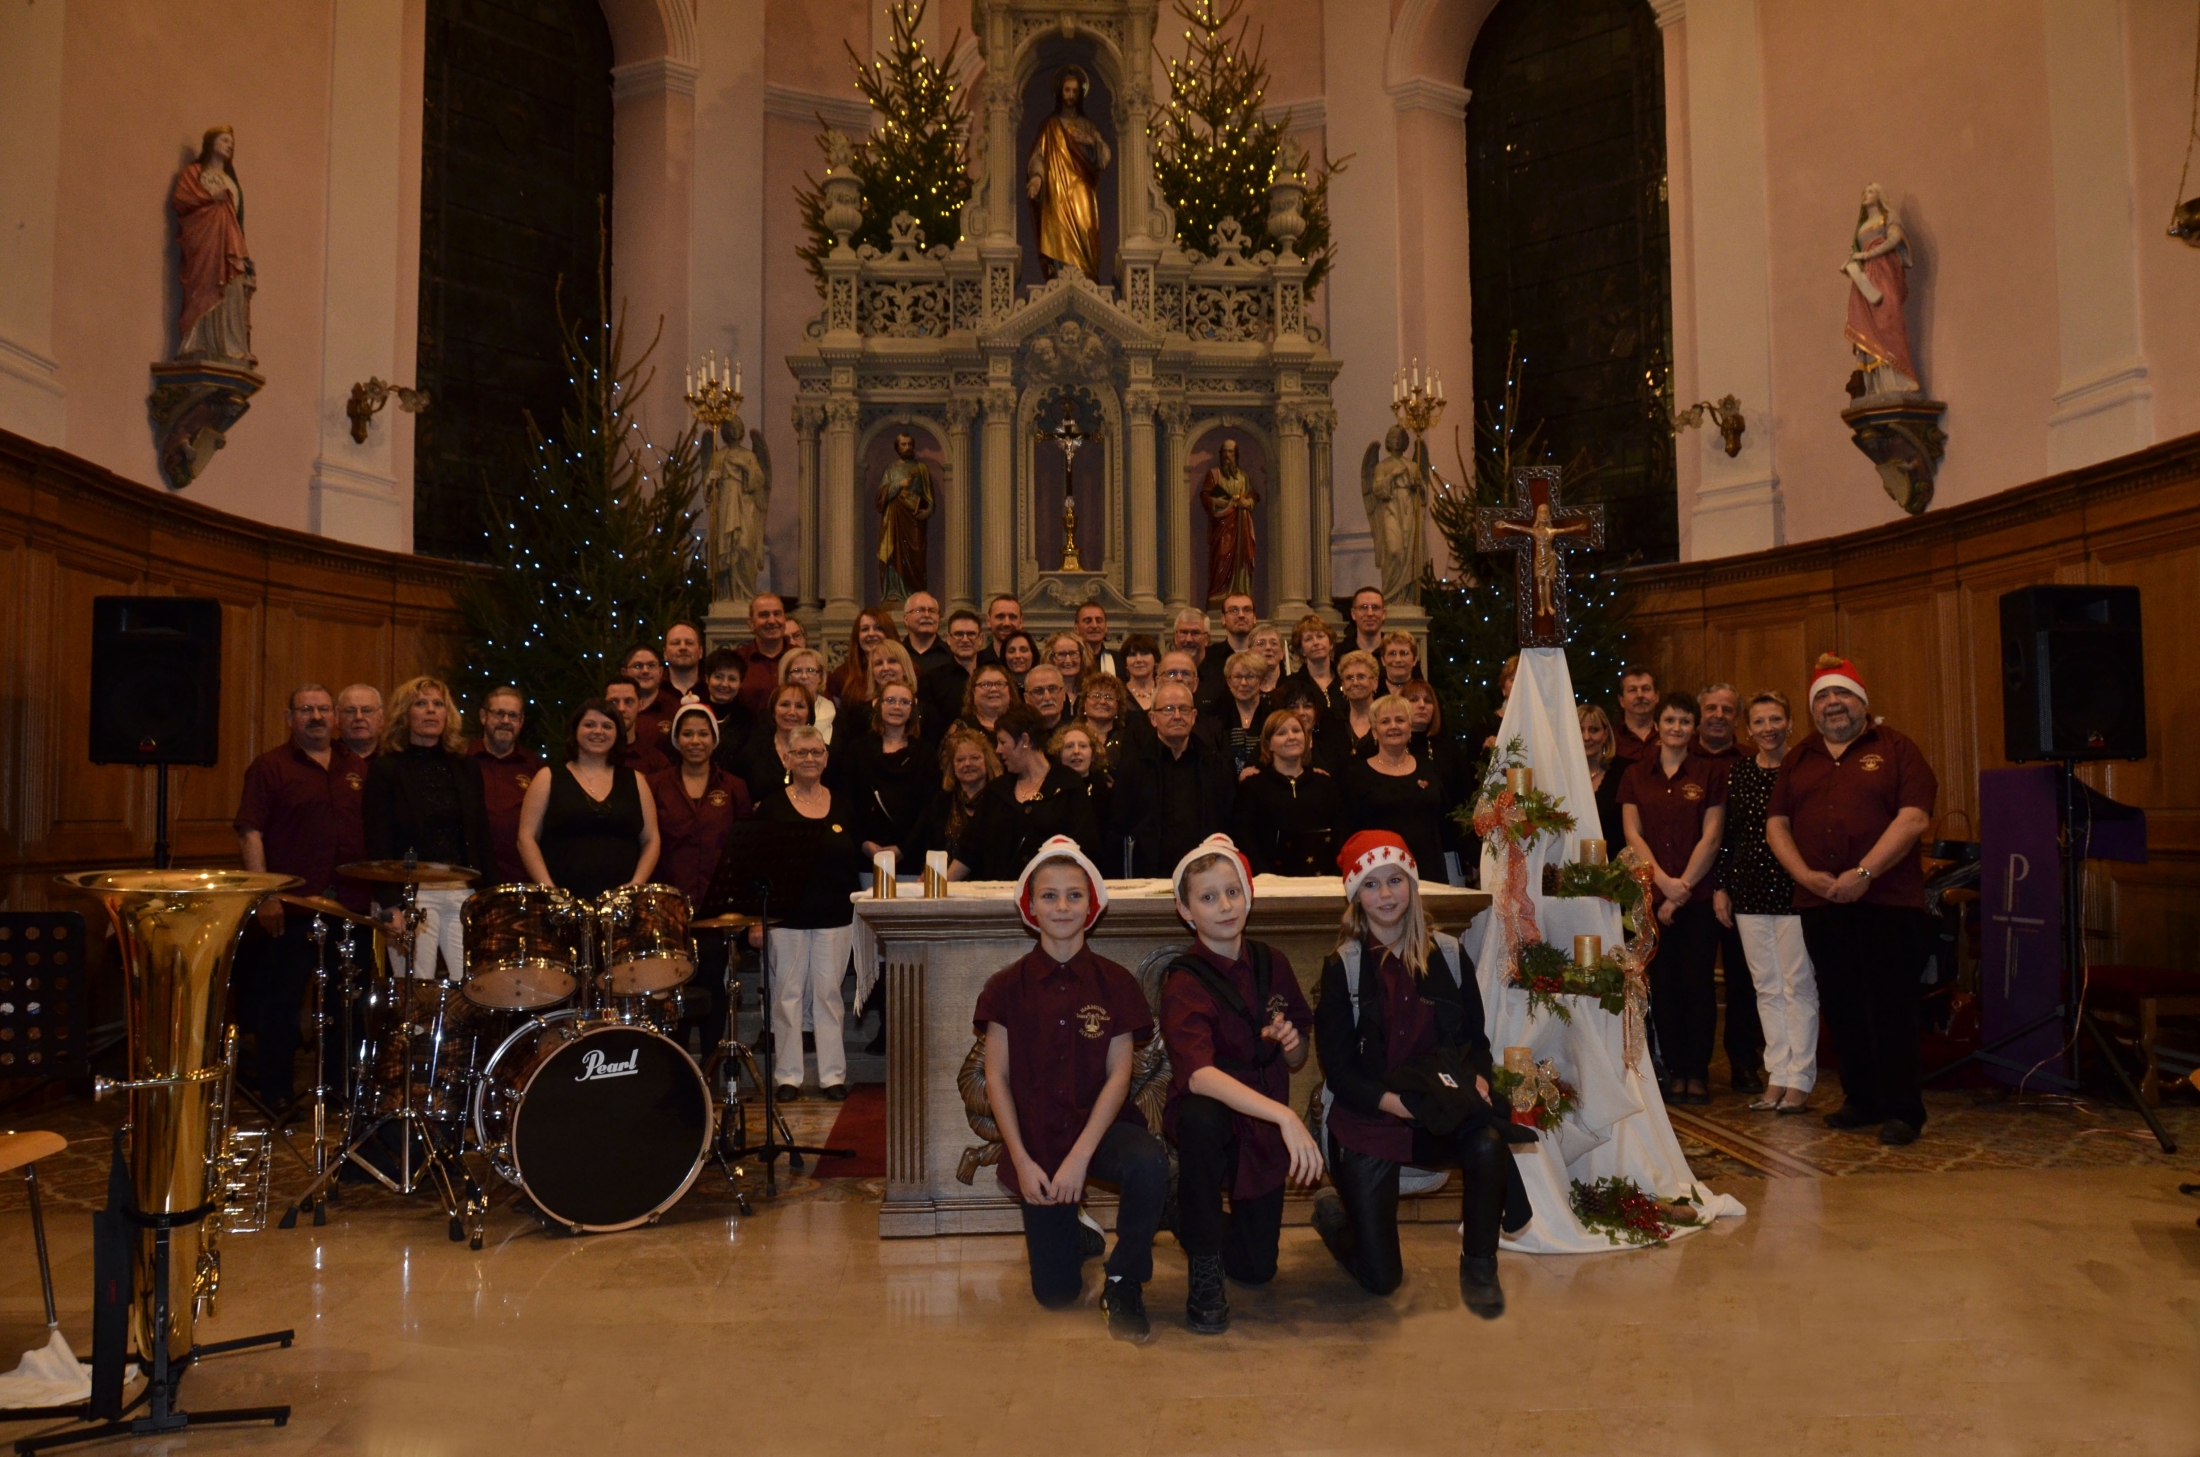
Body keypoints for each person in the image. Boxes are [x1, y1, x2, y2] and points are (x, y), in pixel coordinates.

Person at [1310, 831, 1527, 1315]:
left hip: (1436, 1108)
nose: (1386, 895)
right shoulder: (1343, 967)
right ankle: (1334, 1216)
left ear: (1412, 884)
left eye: (1396, 880)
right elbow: (1340, 1073)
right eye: (1371, 885)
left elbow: (1475, 1041)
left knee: (1488, 1142)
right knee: (1381, 1280)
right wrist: (1399, 1106)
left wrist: (1478, 1080)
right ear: (1356, 896)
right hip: (1371, 1117)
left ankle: (1480, 1268)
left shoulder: (1448, 954)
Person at [976, 838, 1166, 1339]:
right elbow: (995, 1077)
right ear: (1030, 907)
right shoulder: (1005, 987)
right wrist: (1021, 1160)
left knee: (1148, 1161)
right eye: (1050, 896)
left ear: (1092, 904)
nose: (1062, 906)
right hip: (1038, 1143)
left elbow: (1119, 1075)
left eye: (1074, 895)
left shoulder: (1116, 983)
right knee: (1056, 1296)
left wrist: (1081, 1157)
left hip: (1100, 1134)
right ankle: (1078, 1232)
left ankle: (1124, 1279)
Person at [1765, 655, 1936, 1145]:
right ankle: (1862, 1099)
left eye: (1841, 694)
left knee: (1892, 1006)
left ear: (1862, 702)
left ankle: (1903, 1109)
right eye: (1822, 696)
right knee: (1841, 1006)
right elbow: (1776, 824)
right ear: (1812, 709)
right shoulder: (1799, 757)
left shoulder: (1897, 748)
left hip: (1888, 901)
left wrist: (1864, 873)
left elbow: (1914, 818)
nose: (1832, 703)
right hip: (1819, 901)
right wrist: (1806, 876)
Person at [1159, 836, 1320, 1334]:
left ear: (1247, 896)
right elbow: (1199, 1075)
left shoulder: (1273, 962)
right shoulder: (1184, 980)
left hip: (1260, 1125)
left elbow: (1298, 1055)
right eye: (1208, 898)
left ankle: (1181, 1210)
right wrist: (1286, 1116)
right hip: (1218, 1120)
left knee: (1256, 1269)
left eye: (1232, 892)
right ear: (1186, 911)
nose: (1225, 906)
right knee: (1200, 1118)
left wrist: (1290, 1043)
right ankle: (1204, 1268)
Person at [233, 684, 369, 1107]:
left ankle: (340, 1092)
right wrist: (265, 896)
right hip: (290, 907)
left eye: (324, 709)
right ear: (289, 718)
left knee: (347, 1005)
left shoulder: (358, 768)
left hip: (350, 907)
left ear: (335, 717)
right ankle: (275, 1094)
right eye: (306, 709)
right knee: (281, 1004)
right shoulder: (269, 767)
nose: (316, 717)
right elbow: (250, 832)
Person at [1618, 692, 1728, 1107]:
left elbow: (1712, 837)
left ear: (1694, 728)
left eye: (1684, 721)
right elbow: (1633, 835)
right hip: (1652, 897)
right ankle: (1673, 1069)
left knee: (1697, 984)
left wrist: (1681, 889)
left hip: (1697, 898)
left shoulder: (1709, 772)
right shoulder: (1635, 774)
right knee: (1662, 986)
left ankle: (1696, 1073)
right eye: (1670, 720)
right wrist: (1663, 884)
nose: (1677, 727)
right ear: (1658, 725)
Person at [751, 725, 868, 1101]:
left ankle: (832, 1076)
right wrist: (755, 919)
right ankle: (788, 1076)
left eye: (816, 752)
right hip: (786, 918)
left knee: (829, 995)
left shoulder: (843, 805)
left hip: (836, 916)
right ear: (786, 759)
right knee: (787, 995)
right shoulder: (771, 807)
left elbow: (855, 858)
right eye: (801, 752)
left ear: (826, 758)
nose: (809, 758)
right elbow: (757, 866)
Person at [1716, 691, 1816, 1115]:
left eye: (1776, 719)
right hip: (1749, 892)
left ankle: (1801, 1079)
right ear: (1748, 729)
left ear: (1790, 723)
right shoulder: (1739, 772)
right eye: (1759, 721)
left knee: (1798, 987)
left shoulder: (1803, 769)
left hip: (1794, 889)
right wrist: (1722, 887)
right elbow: (1729, 836)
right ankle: (1777, 1075)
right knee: (1766, 988)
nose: (1768, 728)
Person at [362, 675, 494, 981]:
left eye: (438, 704)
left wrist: (489, 897)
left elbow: (481, 835)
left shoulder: (467, 767)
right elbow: (377, 841)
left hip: (462, 889)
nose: (431, 710)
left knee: (469, 983)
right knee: (417, 988)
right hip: (413, 894)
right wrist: (390, 904)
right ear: (405, 714)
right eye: (421, 704)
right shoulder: (386, 769)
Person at [1692, 682, 1764, 1093]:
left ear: (1737, 718)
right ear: (1699, 715)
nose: (1718, 716)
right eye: (1711, 708)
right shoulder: (1682, 759)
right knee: (1696, 980)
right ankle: (1694, 1065)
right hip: (1691, 886)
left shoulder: (1752, 762)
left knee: (1743, 980)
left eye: (1727, 710)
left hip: (1742, 885)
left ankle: (1744, 1062)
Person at [517, 699, 661, 899]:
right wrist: (550, 890)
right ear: (575, 730)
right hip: (561, 902)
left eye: (607, 726)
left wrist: (635, 885)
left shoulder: (636, 780)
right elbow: (526, 838)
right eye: (589, 724)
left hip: (622, 904)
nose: (598, 731)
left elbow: (651, 839)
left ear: (617, 734)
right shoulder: (547, 777)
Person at [950, 704, 1099, 880]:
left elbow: (1084, 850)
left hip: (1051, 892)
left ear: (1025, 740)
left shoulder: (1069, 785)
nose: (998, 750)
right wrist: (940, 887)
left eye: (1003, 742)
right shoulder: (997, 791)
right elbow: (969, 851)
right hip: (999, 894)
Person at [1112, 682, 1235, 877]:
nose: (1177, 716)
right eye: (1168, 709)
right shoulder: (1134, 768)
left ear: (1193, 717)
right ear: (1153, 718)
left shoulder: (1214, 765)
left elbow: (1227, 821)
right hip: (1149, 876)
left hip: (1204, 875)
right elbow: (1118, 828)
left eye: (1184, 709)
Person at [647, 700, 751, 906]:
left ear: (714, 739)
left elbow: (746, 849)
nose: (695, 741)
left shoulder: (735, 787)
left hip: (721, 901)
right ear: (676, 740)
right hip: (667, 902)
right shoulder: (655, 785)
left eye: (703, 734)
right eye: (687, 734)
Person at [1340, 694, 1449, 882]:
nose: (1393, 726)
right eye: (1385, 721)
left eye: (1400, 720)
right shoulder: (1356, 776)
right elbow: (1347, 832)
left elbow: (1445, 819)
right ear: (1374, 732)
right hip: (1378, 876)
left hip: (1429, 871)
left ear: (1410, 728)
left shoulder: (1429, 769)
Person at [1229, 711, 1342, 875]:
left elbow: (1340, 834)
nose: (1291, 737)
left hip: (1322, 882)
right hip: (1268, 882)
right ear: (1268, 744)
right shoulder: (1252, 788)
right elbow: (1245, 839)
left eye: (1296, 731)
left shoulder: (1325, 785)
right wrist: (1266, 878)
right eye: (1281, 733)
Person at [841, 680, 932, 866]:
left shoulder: (926, 752)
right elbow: (846, 801)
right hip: (865, 856)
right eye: (890, 700)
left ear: (912, 710)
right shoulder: (857, 750)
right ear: (879, 706)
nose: (897, 707)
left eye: (904, 702)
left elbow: (930, 806)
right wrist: (862, 843)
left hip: (912, 857)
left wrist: (905, 848)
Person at [472, 686, 544, 886]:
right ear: (483, 716)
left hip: (520, 880)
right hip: (467, 881)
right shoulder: (462, 761)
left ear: (521, 721)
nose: (506, 721)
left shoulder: (537, 769)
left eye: (513, 715)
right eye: (499, 713)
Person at [910, 725, 1000, 858]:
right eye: (960, 759)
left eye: (975, 757)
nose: (967, 764)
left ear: (988, 761)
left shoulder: (1000, 802)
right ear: (952, 766)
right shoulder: (939, 805)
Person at [738, 682, 817, 797]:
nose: (792, 712)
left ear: (809, 715)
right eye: (785, 705)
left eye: (800, 706)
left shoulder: (819, 754)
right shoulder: (753, 751)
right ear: (773, 711)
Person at [1206, 651, 1274, 777]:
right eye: (1237, 677)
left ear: (1261, 681)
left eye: (1250, 677)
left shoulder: (1273, 716)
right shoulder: (1216, 716)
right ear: (1229, 682)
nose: (1243, 683)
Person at [920, 608, 986, 728]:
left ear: (980, 639)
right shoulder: (932, 681)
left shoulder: (994, 676)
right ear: (948, 639)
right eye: (958, 634)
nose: (965, 640)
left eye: (971, 634)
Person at [825, 607, 898, 711]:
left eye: (878, 628)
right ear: (857, 636)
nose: (871, 634)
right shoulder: (842, 675)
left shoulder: (909, 670)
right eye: (865, 629)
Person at [732, 593, 792, 713]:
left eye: (777, 614)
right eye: (764, 615)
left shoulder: (801, 658)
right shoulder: (736, 661)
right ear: (750, 623)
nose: (772, 621)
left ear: (784, 619)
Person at [1050, 721, 1111, 837]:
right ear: (1059, 754)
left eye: (1083, 746)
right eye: (1069, 746)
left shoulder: (1102, 790)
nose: (1076, 751)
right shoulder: (1052, 790)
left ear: (1093, 754)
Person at [700, 646, 757, 769]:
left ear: (740, 683)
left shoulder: (748, 719)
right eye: (718, 677)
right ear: (707, 679)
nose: (725, 684)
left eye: (732, 679)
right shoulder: (694, 711)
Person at [603, 676, 669, 776]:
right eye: (614, 702)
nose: (621, 708)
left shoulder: (657, 762)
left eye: (628, 701)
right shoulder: (590, 756)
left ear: (640, 705)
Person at [1578, 704, 1623, 845]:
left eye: (1594, 730)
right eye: (1579, 730)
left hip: (1615, 856)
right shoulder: (1562, 774)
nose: (1586, 737)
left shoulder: (1624, 772)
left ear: (1605, 734)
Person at [1329, 650, 1382, 762]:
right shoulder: (1334, 720)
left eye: (1361, 677)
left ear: (1375, 682)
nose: (1355, 683)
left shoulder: (1385, 718)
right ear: (1343, 685)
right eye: (1349, 678)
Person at [1282, 613, 1339, 711]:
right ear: (1301, 649)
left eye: (1320, 636)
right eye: (1308, 639)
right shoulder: (1291, 685)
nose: (1316, 643)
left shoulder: (1345, 679)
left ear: (1331, 644)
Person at [625, 644, 675, 748]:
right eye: (638, 666)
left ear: (660, 672)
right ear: (624, 673)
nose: (645, 671)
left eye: (651, 665)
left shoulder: (674, 709)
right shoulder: (616, 708)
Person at [1610, 665, 1659, 768]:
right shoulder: (1610, 738)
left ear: (1657, 697)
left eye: (1646, 689)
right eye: (1632, 690)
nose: (1640, 695)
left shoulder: (1670, 735)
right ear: (1621, 700)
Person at [959, 663, 1016, 739]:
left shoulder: (1023, 723)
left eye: (1000, 684)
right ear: (973, 691)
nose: (994, 689)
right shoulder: (963, 728)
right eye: (986, 685)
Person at [1078, 672, 1126, 757]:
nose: (1102, 702)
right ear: (1084, 704)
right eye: (1096, 696)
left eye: (1109, 697)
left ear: (1118, 706)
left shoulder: (1128, 739)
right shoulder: (1073, 736)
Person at [901, 591, 950, 676]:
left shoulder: (951, 654)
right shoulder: (897, 654)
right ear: (906, 619)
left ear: (939, 618)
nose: (927, 615)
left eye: (932, 611)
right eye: (919, 610)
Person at [335, 683, 384, 760]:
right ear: (337, 717)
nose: (359, 717)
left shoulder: (396, 759)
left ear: (381, 718)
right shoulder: (326, 759)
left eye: (366, 711)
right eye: (350, 711)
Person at [1021, 664, 1071, 735]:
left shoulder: (1077, 732)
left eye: (1052, 689)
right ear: (1027, 698)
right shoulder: (1019, 735)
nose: (1047, 697)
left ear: (1063, 694)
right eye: (1038, 691)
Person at [1044, 632, 1090, 705]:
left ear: (1082, 657)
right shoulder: (1044, 695)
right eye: (1061, 654)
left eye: (1073, 653)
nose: (1068, 660)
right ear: (1051, 658)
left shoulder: (1091, 693)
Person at [1074, 601, 1118, 678]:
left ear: (1106, 627)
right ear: (1076, 628)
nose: (1094, 625)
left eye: (1099, 621)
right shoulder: (1070, 661)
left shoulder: (1118, 660)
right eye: (1088, 621)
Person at [1118, 633, 1161, 712]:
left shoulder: (1165, 691)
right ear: (1125, 663)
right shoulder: (1118, 694)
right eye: (1132, 654)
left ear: (1155, 659)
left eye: (1144, 653)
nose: (1138, 660)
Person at [663, 621, 704, 701]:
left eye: (689, 643)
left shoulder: (713, 691)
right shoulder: (654, 691)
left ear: (701, 652)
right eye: (676, 643)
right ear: (665, 653)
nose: (683, 647)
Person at [1377, 632, 1420, 697]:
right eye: (1392, 653)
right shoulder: (1374, 691)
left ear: (1414, 660)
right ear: (1383, 660)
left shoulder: (1422, 692)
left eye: (1404, 653)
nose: (1398, 660)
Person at [1348, 585, 1387, 657]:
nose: (1370, 613)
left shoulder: (1394, 652)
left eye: (1375, 607)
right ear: (1353, 614)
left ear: (1384, 613)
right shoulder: (1338, 653)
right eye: (1363, 607)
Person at [1248, 623, 1286, 696]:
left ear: (1282, 652)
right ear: (1250, 652)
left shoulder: (1293, 687)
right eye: (1261, 643)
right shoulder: (1244, 688)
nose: (1268, 647)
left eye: (1273, 643)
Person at [1217, 591, 1258, 659]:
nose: (1241, 615)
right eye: (1234, 610)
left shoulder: (1264, 655)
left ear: (1254, 618)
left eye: (1246, 610)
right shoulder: (1209, 656)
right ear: (1223, 619)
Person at [984, 593, 1023, 661]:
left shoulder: (1034, 664)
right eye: (1000, 617)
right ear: (988, 621)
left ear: (1021, 622)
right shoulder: (976, 663)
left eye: (1012, 617)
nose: (1006, 623)